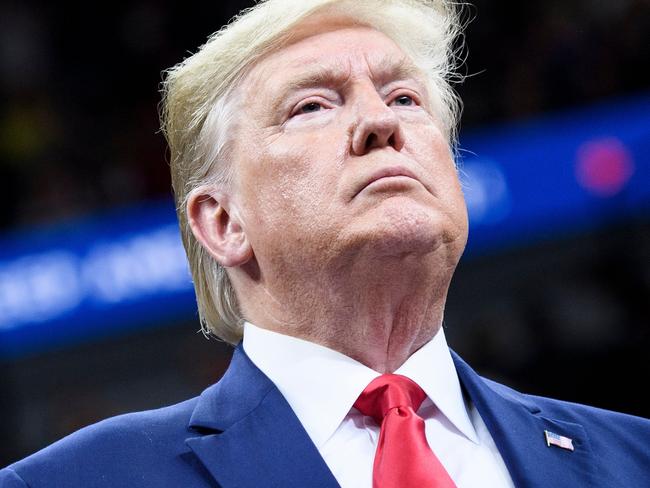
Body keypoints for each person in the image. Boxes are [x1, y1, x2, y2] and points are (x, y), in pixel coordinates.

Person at [2, 0, 649, 486]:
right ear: (223, 221)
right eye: (312, 106)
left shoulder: (633, 457)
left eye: (404, 96)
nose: (380, 122)